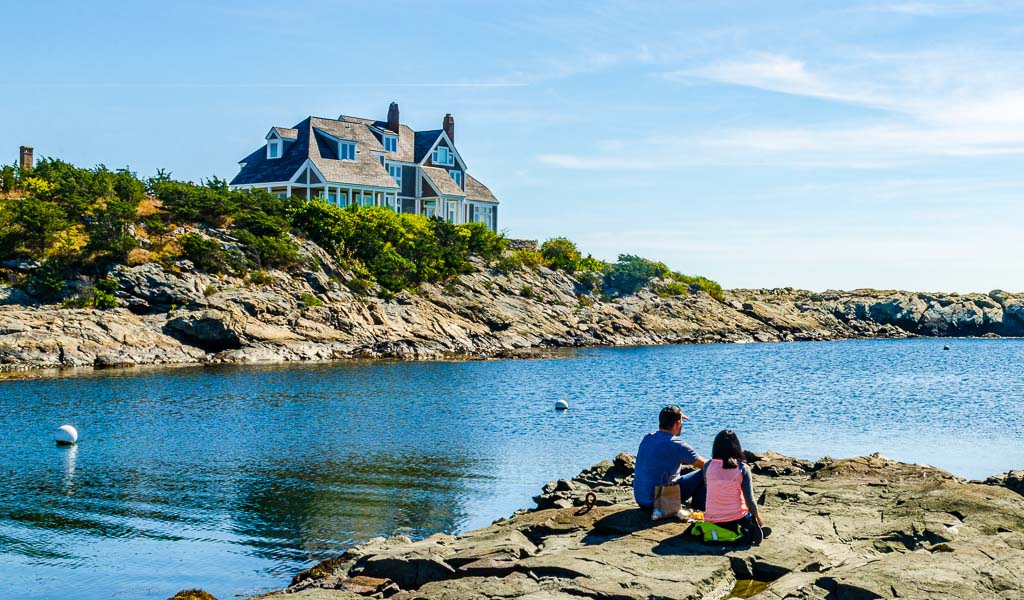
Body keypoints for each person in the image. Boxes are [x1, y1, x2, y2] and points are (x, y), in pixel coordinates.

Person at [702, 429, 770, 545]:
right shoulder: (742, 468)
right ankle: (754, 528)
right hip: (736, 520)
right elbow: (750, 501)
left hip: (712, 520)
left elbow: (710, 490)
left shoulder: (707, 466)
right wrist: (758, 518)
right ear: (737, 447)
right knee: (748, 514)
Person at [633, 405, 707, 511]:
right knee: (705, 472)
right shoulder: (677, 445)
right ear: (678, 423)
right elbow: (707, 465)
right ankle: (699, 510)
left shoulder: (648, 438)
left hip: (642, 500)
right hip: (659, 503)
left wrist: (676, 415)